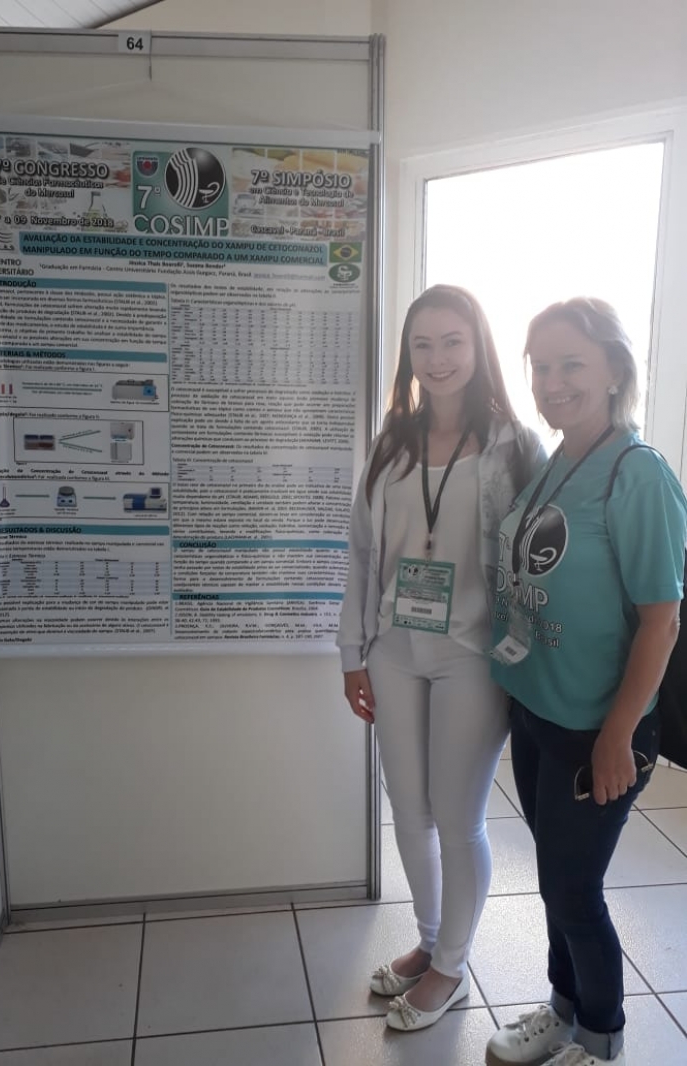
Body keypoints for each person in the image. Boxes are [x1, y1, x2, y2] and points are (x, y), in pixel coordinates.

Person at [337, 284, 545, 1032]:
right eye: (422, 344)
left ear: (478, 346)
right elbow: (363, 555)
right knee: (408, 809)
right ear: (408, 354)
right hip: (394, 649)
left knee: (458, 818)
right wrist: (351, 653)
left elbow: (541, 559)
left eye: (453, 341)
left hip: (473, 657)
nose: (438, 358)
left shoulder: (514, 446)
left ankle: (452, 968)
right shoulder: (391, 441)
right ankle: (429, 943)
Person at [487, 298, 687, 1066]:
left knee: (574, 891)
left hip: (597, 727)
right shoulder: (557, 461)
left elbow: (661, 622)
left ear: (613, 371)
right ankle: (562, 1007)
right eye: (540, 366)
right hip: (538, 707)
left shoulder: (638, 475)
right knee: (554, 878)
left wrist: (617, 735)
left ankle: (601, 1038)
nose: (552, 381)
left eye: (571, 363)